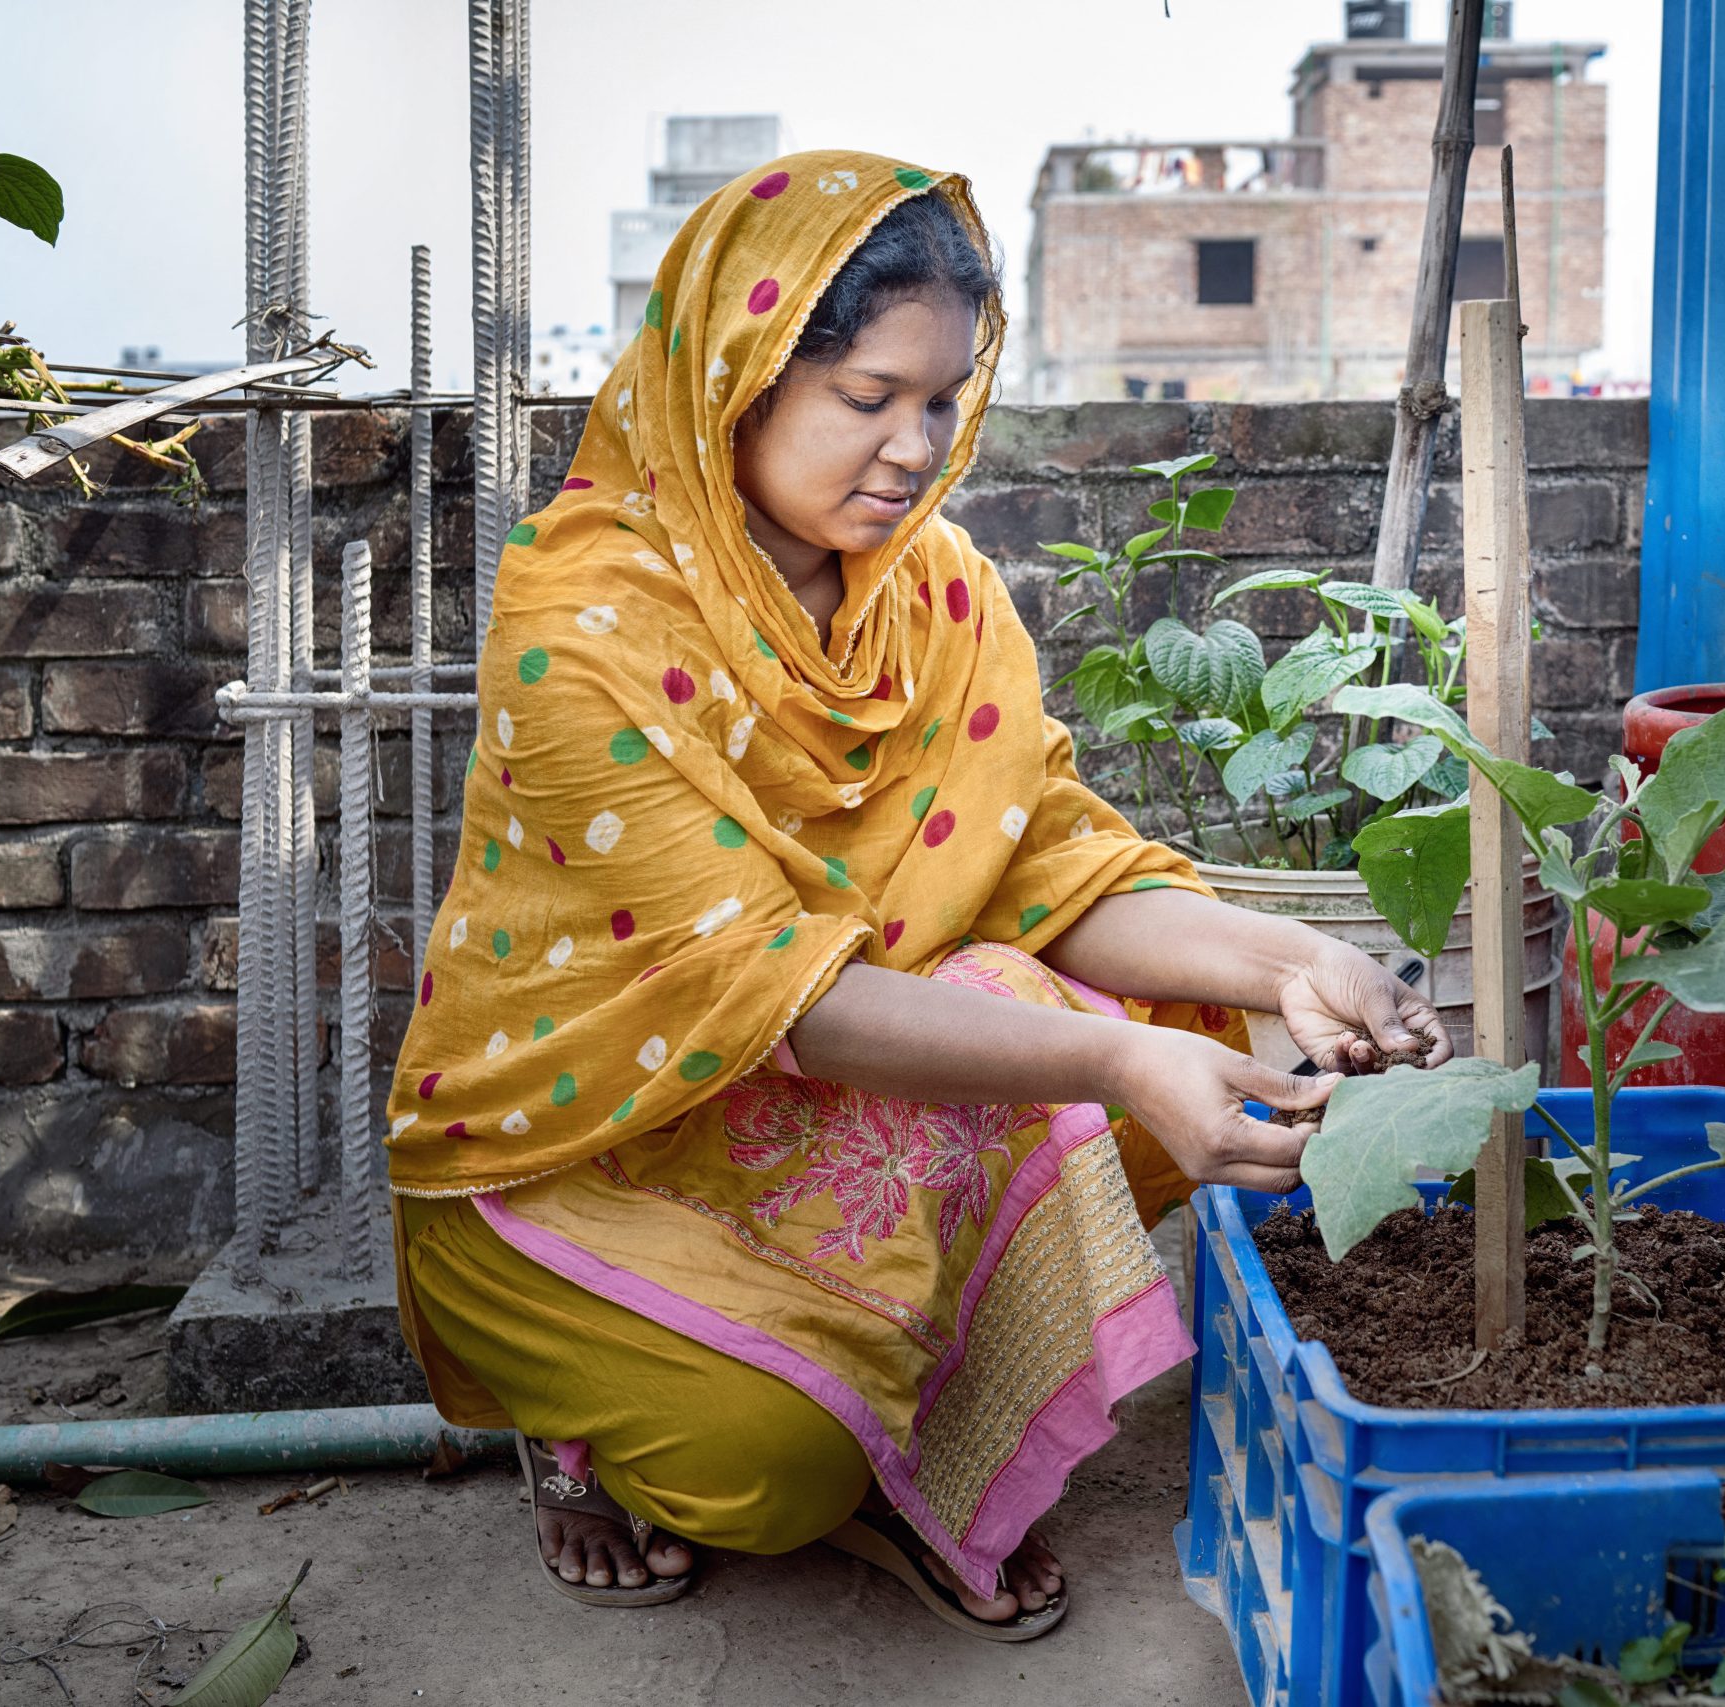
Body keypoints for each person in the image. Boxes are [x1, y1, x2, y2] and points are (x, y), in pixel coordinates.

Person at [383, 149, 1447, 1637]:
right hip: (589, 1133)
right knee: (766, 1474)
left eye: (939, 402)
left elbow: (1043, 868)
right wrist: (1121, 1059)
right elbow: (785, 1002)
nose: (910, 446)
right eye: (865, 399)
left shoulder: (932, 590)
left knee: (1105, 997)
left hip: (812, 1083)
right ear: (740, 381)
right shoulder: (588, 621)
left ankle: (921, 1440)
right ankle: (582, 1429)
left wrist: (1287, 964)